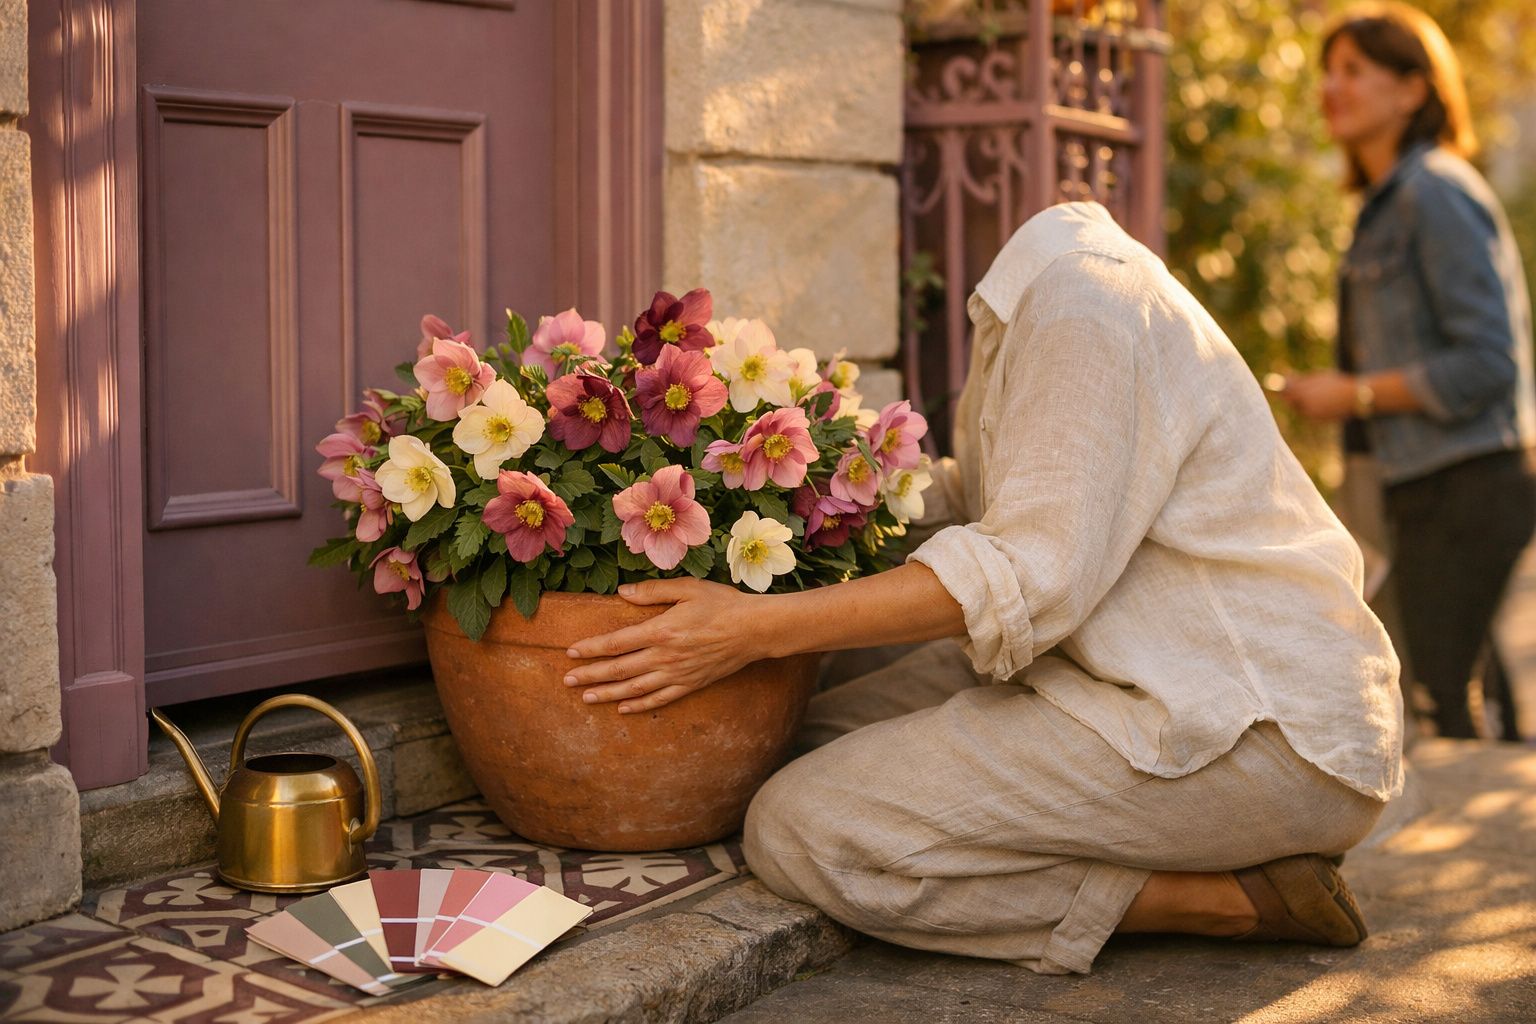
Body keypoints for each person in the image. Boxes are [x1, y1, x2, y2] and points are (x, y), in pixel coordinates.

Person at [562, 201, 1403, 974]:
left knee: (800, 829)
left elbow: (1030, 570)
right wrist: (806, 482)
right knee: (792, 740)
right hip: (1121, 677)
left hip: (1255, 730)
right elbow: (993, 502)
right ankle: (1179, 844)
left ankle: (1219, 898)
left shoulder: (1085, 307)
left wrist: (751, 627)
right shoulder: (1046, 299)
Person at [1283, 2, 1536, 741]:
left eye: (1353, 71)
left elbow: (1488, 363)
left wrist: (1353, 394)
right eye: (1328, 72)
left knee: (1440, 703)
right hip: (1426, 485)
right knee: (1460, 693)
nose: (1331, 87)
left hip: (1467, 484)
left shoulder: (1435, 194)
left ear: (1412, 90)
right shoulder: (1383, 209)